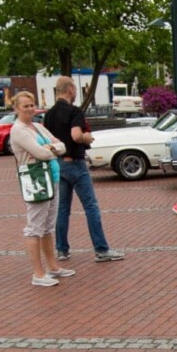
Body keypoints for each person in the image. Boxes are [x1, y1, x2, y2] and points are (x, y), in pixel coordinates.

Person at [44, 76, 124, 262]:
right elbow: (76, 135)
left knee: (63, 208)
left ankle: (62, 249)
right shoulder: (74, 111)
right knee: (90, 206)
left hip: (58, 163)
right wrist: (87, 137)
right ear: (71, 89)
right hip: (75, 163)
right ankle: (101, 249)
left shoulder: (49, 114)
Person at [10, 90, 74, 287]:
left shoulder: (37, 126)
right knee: (35, 227)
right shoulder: (19, 130)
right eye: (25, 106)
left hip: (51, 177)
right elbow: (40, 152)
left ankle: (53, 266)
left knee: (47, 226)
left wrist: (51, 149)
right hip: (36, 180)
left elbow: (61, 145)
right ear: (16, 108)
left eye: (32, 105)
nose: (30, 109)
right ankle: (38, 273)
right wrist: (52, 150)